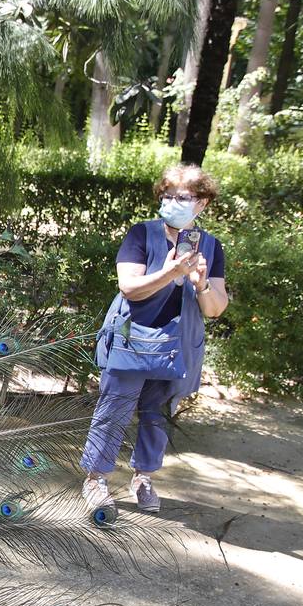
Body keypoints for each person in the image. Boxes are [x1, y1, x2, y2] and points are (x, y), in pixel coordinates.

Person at [81, 164, 230, 512]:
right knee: (113, 409)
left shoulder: (211, 247)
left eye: (182, 197)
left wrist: (200, 283)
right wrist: (170, 272)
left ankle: (143, 477)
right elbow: (130, 288)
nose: (172, 202)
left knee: (157, 414)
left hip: (175, 347)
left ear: (202, 203)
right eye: (167, 196)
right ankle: (95, 479)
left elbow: (215, 308)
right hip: (133, 339)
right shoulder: (141, 235)